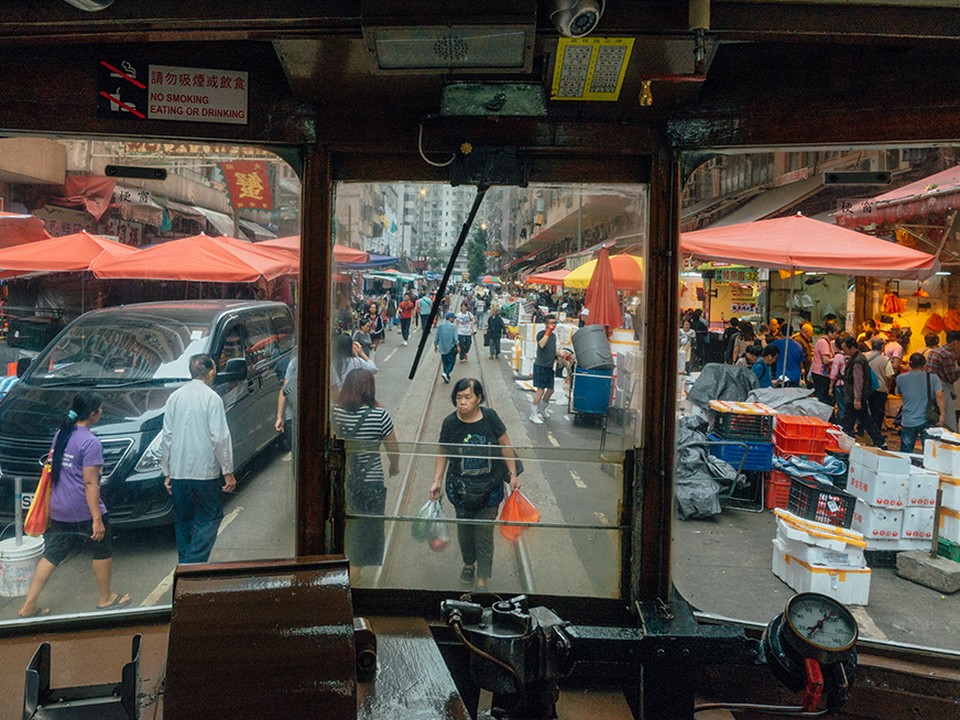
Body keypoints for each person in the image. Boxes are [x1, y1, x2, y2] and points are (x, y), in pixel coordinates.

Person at [18, 392, 131, 617]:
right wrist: (97, 519)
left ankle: (29, 604)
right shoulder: (91, 442)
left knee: (52, 554)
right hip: (84, 509)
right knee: (101, 551)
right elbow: (90, 483)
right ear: (92, 414)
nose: (102, 412)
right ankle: (105, 598)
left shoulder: (61, 434)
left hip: (60, 507)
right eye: (100, 409)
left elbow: (55, 471)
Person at [429, 378, 519, 591]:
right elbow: (442, 451)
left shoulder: (490, 418)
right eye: (458, 397)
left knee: (484, 532)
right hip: (460, 490)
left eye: (468, 397)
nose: (462, 402)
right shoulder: (450, 423)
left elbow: (505, 445)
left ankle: (482, 577)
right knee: (465, 530)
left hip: (490, 489)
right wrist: (437, 481)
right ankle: (469, 564)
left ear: (479, 398)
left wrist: (513, 474)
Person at [161, 354, 236, 564]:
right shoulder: (212, 398)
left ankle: (186, 563)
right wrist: (228, 471)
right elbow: (220, 437)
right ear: (211, 371)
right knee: (211, 516)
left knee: (183, 520)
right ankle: (193, 563)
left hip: (178, 471)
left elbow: (167, 436)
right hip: (205, 472)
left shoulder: (174, 397)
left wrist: (166, 471)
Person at [332, 367, 399, 586]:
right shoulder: (380, 415)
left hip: (343, 479)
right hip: (371, 481)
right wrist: (394, 466)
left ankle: (346, 567)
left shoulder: (336, 413)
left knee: (348, 524)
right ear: (369, 389)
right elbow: (393, 447)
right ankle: (354, 575)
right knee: (366, 527)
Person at [839, 336, 886, 449]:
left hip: (855, 397)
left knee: (850, 420)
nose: (843, 351)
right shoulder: (857, 358)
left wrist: (857, 399)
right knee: (863, 420)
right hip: (856, 397)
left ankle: (843, 440)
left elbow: (858, 381)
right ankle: (879, 441)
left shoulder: (858, 361)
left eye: (845, 348)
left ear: (852, 348)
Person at [896, 353, 945, 453]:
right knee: (929, 452)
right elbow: (939, 396)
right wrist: (942, 415)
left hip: (908, 419)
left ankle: (907, 467)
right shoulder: (933, 378)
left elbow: (899, 394)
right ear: (924, 364)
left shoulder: (900, 378)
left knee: (906, 452)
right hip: (927, 419)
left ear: (910, 364)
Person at [925, 330, 960, 431]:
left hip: (930, 388)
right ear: (955, 343)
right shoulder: (946, 355)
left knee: (934, 417)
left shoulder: (935, 351)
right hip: (942, 389)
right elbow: (952, 377)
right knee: (948, 420)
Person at [530, 314, 561, 424]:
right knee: (540, 391)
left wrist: (561, 354)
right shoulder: (541, 334)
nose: (553, 325)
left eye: (555, 323)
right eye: (551, 323)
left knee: (551, 390)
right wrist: (548, 331)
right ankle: (533, 414)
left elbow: (552, 350)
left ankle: (541, 409)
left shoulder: (553, 336)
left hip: (549, 366)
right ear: (546, 324)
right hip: (540, 366)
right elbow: (542, 345)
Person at [865, 337, 894, 435]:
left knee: (866, 410)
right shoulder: (885, 360)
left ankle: (865, 430)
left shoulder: (864, 356)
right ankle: (876, 433)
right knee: (878, 412)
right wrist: (888, 387)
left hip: (866, 388)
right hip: (881, 389)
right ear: (882, 347)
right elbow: (889, 376)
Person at [333, 333, 377, 397]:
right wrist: (361, 353)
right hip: (352, 398)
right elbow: (374, 369)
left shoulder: (332, 362)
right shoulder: (356, 362)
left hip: (336, 397)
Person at [274, 353, 298, 462]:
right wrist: (279, 417)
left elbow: (285, 391)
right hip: (293, 417)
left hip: (293, 417)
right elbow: (285, 391)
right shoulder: (294, 364)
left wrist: (280, 417)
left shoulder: (294, 363)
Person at [810, 322, 839, 405]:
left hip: (822, 373)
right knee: (822, 398)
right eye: (835, 333)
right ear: (829, 332)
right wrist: (836, 359)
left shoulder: (827, 342)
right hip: (821, 374)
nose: (836, 336)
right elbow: (826, 360)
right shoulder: (823, 342)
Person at [434, 311, 459, 383]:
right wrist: (458, 345)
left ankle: (446, 376)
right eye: (453, 318)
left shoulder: (440, 326)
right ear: (450, 318)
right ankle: (446, 373)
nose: (454, 319)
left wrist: (435, 345)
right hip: (450, 347)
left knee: (444, 362)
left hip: (442, 347)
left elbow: (436, 336)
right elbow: (455, 338)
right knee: (451, 362)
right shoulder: (453, 326)